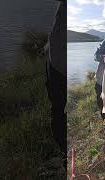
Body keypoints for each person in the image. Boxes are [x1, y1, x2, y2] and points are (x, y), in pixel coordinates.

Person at [44, 0, 66, 153]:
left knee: (58, 108)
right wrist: (46, 47)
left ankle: (63, 148)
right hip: (55, 63)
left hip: (59, 68)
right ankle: (62, 147)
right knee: (57, 108)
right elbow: (55, 31)